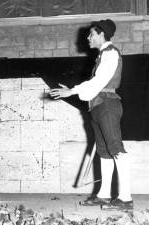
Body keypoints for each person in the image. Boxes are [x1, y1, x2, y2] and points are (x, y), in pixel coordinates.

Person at [49, 19, 133, 211]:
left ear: (101, 34)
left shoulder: (111, 53)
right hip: (98, 105)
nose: (88, 38)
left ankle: (126, 198)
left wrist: (71, 91)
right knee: (104, 153)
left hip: (107, 105)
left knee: (116, 149)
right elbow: (95, 84)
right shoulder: (102, 55)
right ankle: (104, 195)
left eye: (91, 34)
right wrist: (74, 90)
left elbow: (100, 81)